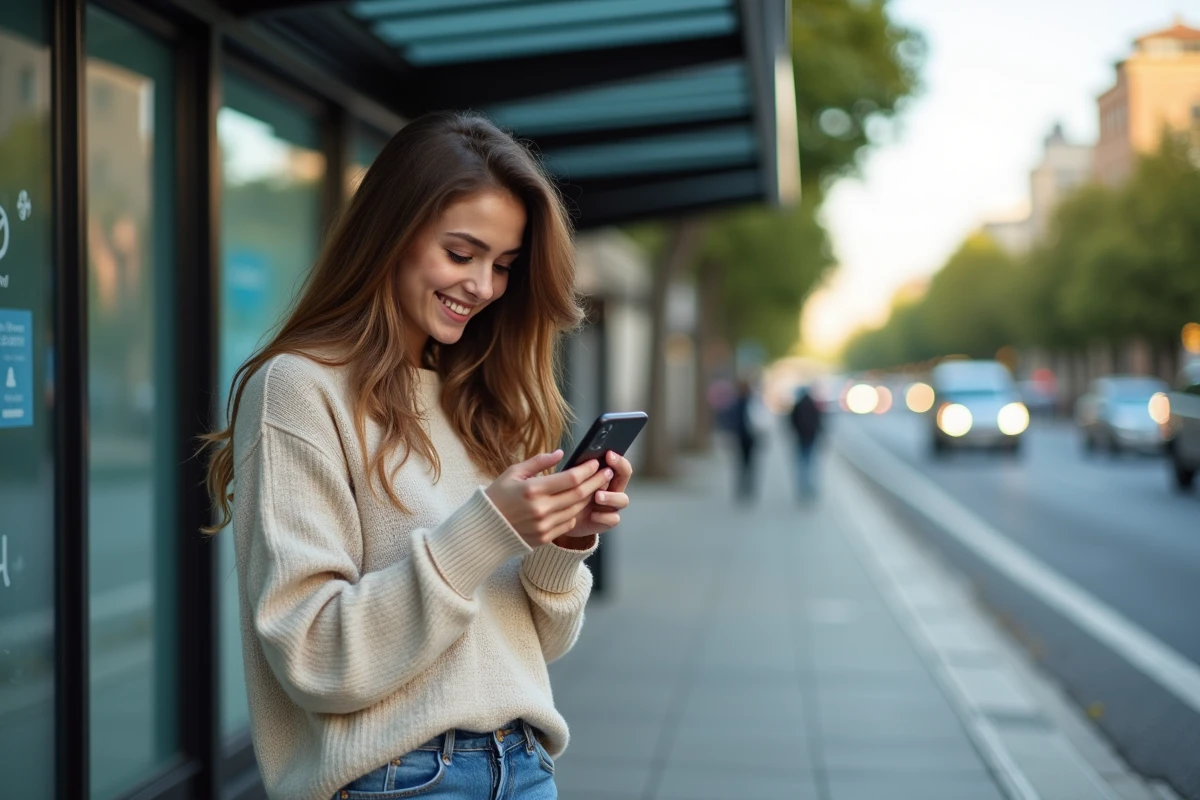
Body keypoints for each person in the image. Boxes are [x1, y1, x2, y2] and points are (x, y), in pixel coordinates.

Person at [202, 111, 634, 800]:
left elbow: (537, 644)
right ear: (390, 236)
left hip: (524, 766)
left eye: (503, 266)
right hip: (397, 778)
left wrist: (564, 541)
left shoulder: (485, 396)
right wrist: (486, 529)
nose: (484, 287)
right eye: (461, 254)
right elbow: (312, 654)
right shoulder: (298, 388)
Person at [788, 385, 824, 500]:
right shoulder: (812, 404)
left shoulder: (798, 405)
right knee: (810, 462)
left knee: (802, 463)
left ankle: (803, 486)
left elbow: (792, 422)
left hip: (801, 437)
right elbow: (819, 422)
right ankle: (809, 486)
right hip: (811, 437)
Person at [730, 379, 762, 502]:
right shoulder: (749, 402)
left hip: (746, 437)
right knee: (747, 464)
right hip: (748, 437)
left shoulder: (743, 402)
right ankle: (746, 487)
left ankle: (745, 487)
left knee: (744, 464)